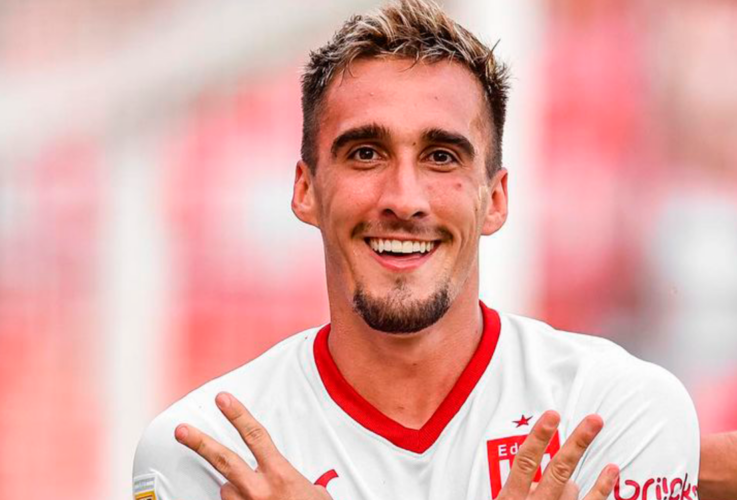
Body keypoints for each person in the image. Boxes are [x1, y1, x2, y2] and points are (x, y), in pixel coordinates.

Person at [132, 1, 700, 499]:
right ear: (305, 190)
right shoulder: (203, 451)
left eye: (441, 157)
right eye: (365, 154)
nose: (404, 199)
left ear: (495, 199)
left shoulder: (617, 410)